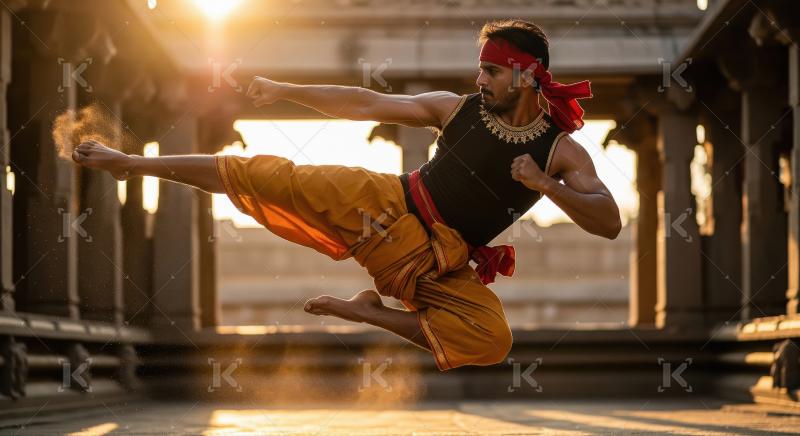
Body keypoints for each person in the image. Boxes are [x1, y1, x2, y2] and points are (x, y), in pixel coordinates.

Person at [72, 19, 621, 371]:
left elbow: (609, 220)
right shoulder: (455, 109)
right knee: (267, 175)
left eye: (491, 71)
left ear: (526, 76)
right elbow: (362, 102)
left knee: (492, 340)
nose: (479, 80)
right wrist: (286, 89)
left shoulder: (562, 153)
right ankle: (132, 165)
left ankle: (366, 312)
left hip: (440, 262)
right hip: (383, 205)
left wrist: (546, 186)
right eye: (479, 69)